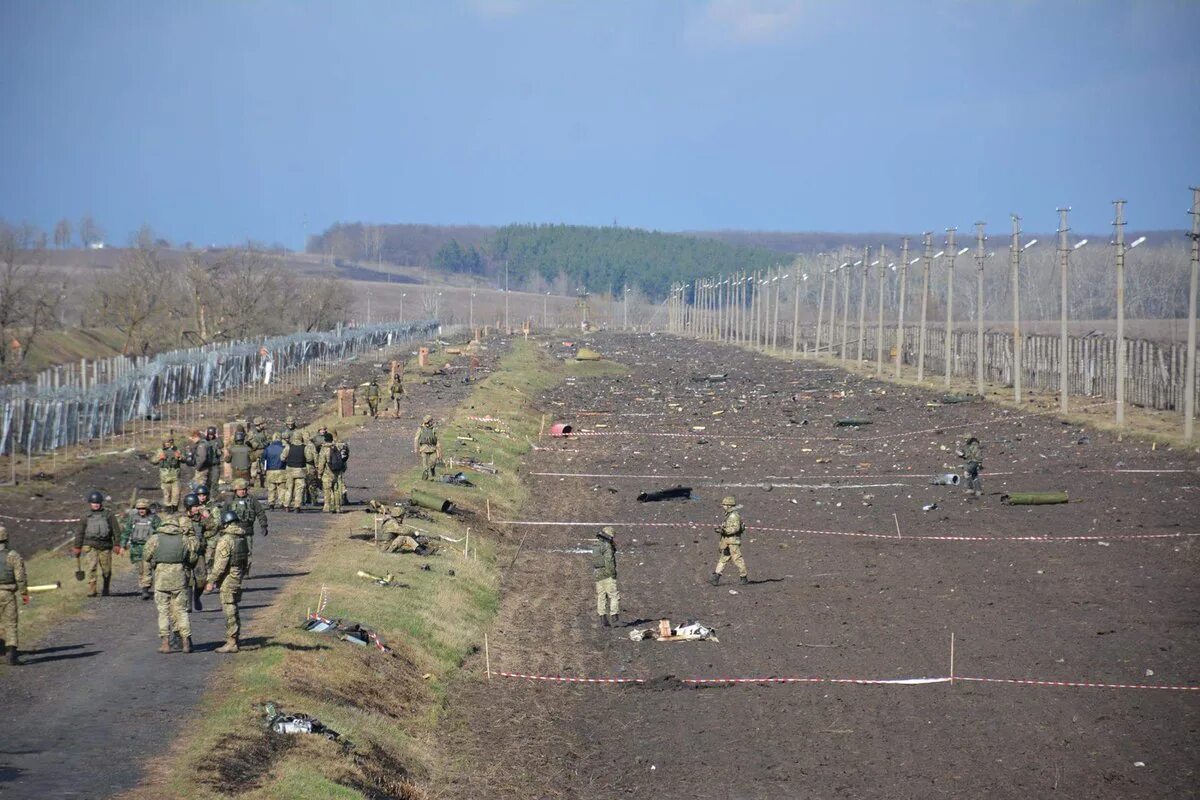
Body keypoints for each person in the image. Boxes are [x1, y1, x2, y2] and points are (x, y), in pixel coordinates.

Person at [143, 515, 199, 654]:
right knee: (181, 611)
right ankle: (186, 642)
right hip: (179, 577)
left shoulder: (155, 538)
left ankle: (165, 643)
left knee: (163, 611)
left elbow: (146, 555)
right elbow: (192, 558)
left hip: (162, 578)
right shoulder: (184, 539)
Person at [206, 510, 249, 653]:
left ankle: (232, 641)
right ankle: (234, 638)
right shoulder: (242, 537)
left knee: (229, 608)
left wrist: (211, 580)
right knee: (234, 606)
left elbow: (220, 564)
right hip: (237, 574)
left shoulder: (226, 540)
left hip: (229, 576)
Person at [73, 491, 122, 597]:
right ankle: (92, 589)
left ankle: (105, 588)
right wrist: (77, 546)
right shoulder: (85, 516)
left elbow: (116, 531)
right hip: (90, 545)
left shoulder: (109, 515)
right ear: (90, 503)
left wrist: (117, 544)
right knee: (92, 567)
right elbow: (80, 532)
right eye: (93, 502)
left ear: (101, 503)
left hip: (105, 546)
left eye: (98, 502)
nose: (96, 504)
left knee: (106, 569)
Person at [183, 491, 217, 612]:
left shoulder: (201, 518)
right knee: (186, 579)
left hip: (199, 553)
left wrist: (207, 517)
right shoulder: (182, 519)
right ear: (189, 507)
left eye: (198, 506)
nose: (198, 508)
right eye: (195, 506)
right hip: (186, 553)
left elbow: (213, 528)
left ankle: (197, 597)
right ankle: (188, 604)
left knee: (201, 579)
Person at [223, 478, 267, 573]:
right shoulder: (230, 501)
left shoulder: (251, 500)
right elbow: (223, 514)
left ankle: (245, 570)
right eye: (240, 490)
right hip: (233, 531)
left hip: (247, 530)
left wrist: (263, 525)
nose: (242, 491)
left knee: (247, 553)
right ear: (235, 490)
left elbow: (260, 512)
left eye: (244, 489)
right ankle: (233, 570)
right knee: (232, 552)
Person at [0, 525, 29, 666]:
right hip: (8, 593)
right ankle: (11, 653)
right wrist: (24, 593)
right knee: (10, 623)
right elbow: (20, 577)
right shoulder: (13, 555)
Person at [120, 499, 160, 600]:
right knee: (141, 569)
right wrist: (122, 546)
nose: (141, 510)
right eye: (139, 509)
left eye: (143, 508)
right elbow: (127, 532)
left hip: (149, 547)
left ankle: (145, 589)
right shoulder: (133, 518)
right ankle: (144, 587)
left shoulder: (154, 518)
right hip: (136, 547)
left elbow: (160, 531)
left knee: (147, 568)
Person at [710, 495, 748, 586]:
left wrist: (723, 530)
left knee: (737, 559)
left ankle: (744, 577)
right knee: (723, 559)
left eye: (724, 504)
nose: (723, 506)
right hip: (727, 541)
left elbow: (735, 528)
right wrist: (721, 529)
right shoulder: (729, 515)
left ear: (729, 505)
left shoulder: (734, 516)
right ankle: (716, 576)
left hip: (733, 541)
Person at [281, 431, 314, 512]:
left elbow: (282, 458)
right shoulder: (304, 447)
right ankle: (297, 506)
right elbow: (309, 458)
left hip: (290, 470)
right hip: (300, 470)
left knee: (289, 488)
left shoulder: (289, 447)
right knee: (299, 489)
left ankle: (286, 506)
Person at [593, 526, 620, 627]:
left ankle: (602, 618)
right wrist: (613, 574)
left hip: (598, 574)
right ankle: (615, 616)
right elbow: (609, 562)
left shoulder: (596, 545)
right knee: (613, 595)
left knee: (601, 596)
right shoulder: (607, 546)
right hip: (608, 574)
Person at [316, 431, 347, 513]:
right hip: (337, 473)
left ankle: (327, 507)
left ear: (325, 440)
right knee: (336, 490)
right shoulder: (337, 447)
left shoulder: (324, 449)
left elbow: (321, 463)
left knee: (327, 490)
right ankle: (338, 507)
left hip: (327, 473)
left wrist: (319, 474)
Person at [154, 435, 184, 510]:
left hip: (175, 476)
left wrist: (180, 457)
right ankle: (168, 509)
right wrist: (159, 458)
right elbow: (153, 461)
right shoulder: (160, 450)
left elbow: (184, 459)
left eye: (169, 442)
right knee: (167, 495)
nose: (168, 443)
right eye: (166, 442)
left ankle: (174, 509)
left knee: (176, 494)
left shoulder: (177, 450)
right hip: (165, 477)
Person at [262, 432, 288, 509]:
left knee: (271, 488)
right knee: (282, 488)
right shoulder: (284, 448)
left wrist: (265, 469)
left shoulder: (267, 449)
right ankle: (282, 502)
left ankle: (271, 503)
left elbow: (263, 460)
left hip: (270, 470)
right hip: (282, 470)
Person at [414, 415, 441, 481]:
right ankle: (425, 475)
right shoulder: (421, 429)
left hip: (432, 448)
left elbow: (437, 440)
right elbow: (416, 438)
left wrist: (439, 451)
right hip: (423, 448)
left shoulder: (433, 429)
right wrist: (416, 448)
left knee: (433, 462)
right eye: (431, 421)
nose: (432, 422)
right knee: (425, 463)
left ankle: (432, 469)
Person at [247, 417, 269, 488]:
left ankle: (263, 483)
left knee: (263, 469)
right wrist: (253, 444)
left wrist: (263, 444)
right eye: (261, 424)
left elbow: (269, 441)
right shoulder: (251, 433)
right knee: (254, 469)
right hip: (254, 453)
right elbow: (248, 442)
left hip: (263, 451)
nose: (262, 426)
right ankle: (253, 484)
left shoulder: (265, 432)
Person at [204, 426, 224, 491]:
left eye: (212, 435)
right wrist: (205, 436)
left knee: (214, 483)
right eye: (209, 435)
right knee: (206, 482)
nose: (211, 436)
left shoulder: (216, 441)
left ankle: (213, 498)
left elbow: (221, 445)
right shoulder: (205, 441)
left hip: (215, 465)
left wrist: (217, 437)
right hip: (206, 466)